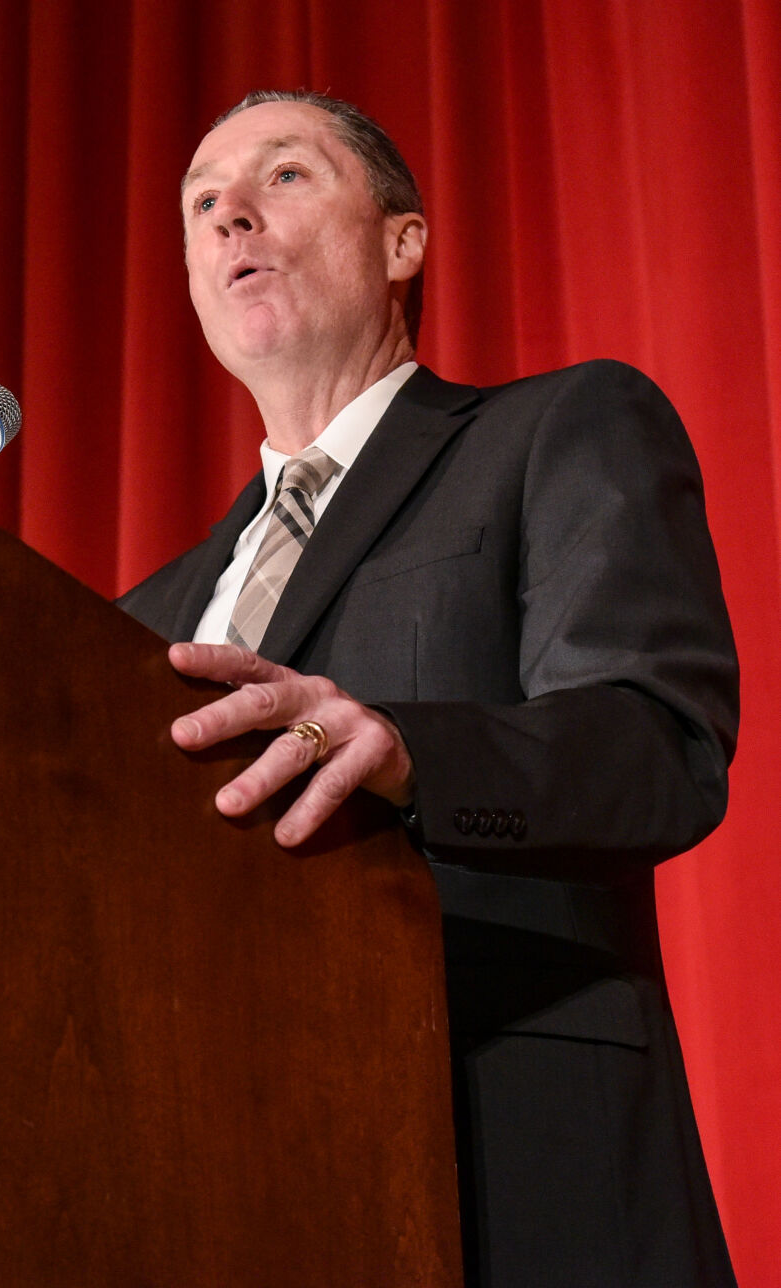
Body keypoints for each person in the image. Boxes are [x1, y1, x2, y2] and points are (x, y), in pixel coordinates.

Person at [117, 89, 740, 1286]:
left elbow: (653, 745)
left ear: (402, 242)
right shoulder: (145, 617)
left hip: (500, 1165)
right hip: (211, 1193)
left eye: (282, 178)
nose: (228, 217)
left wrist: (409, 752)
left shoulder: (558, 427)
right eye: (201, 203)